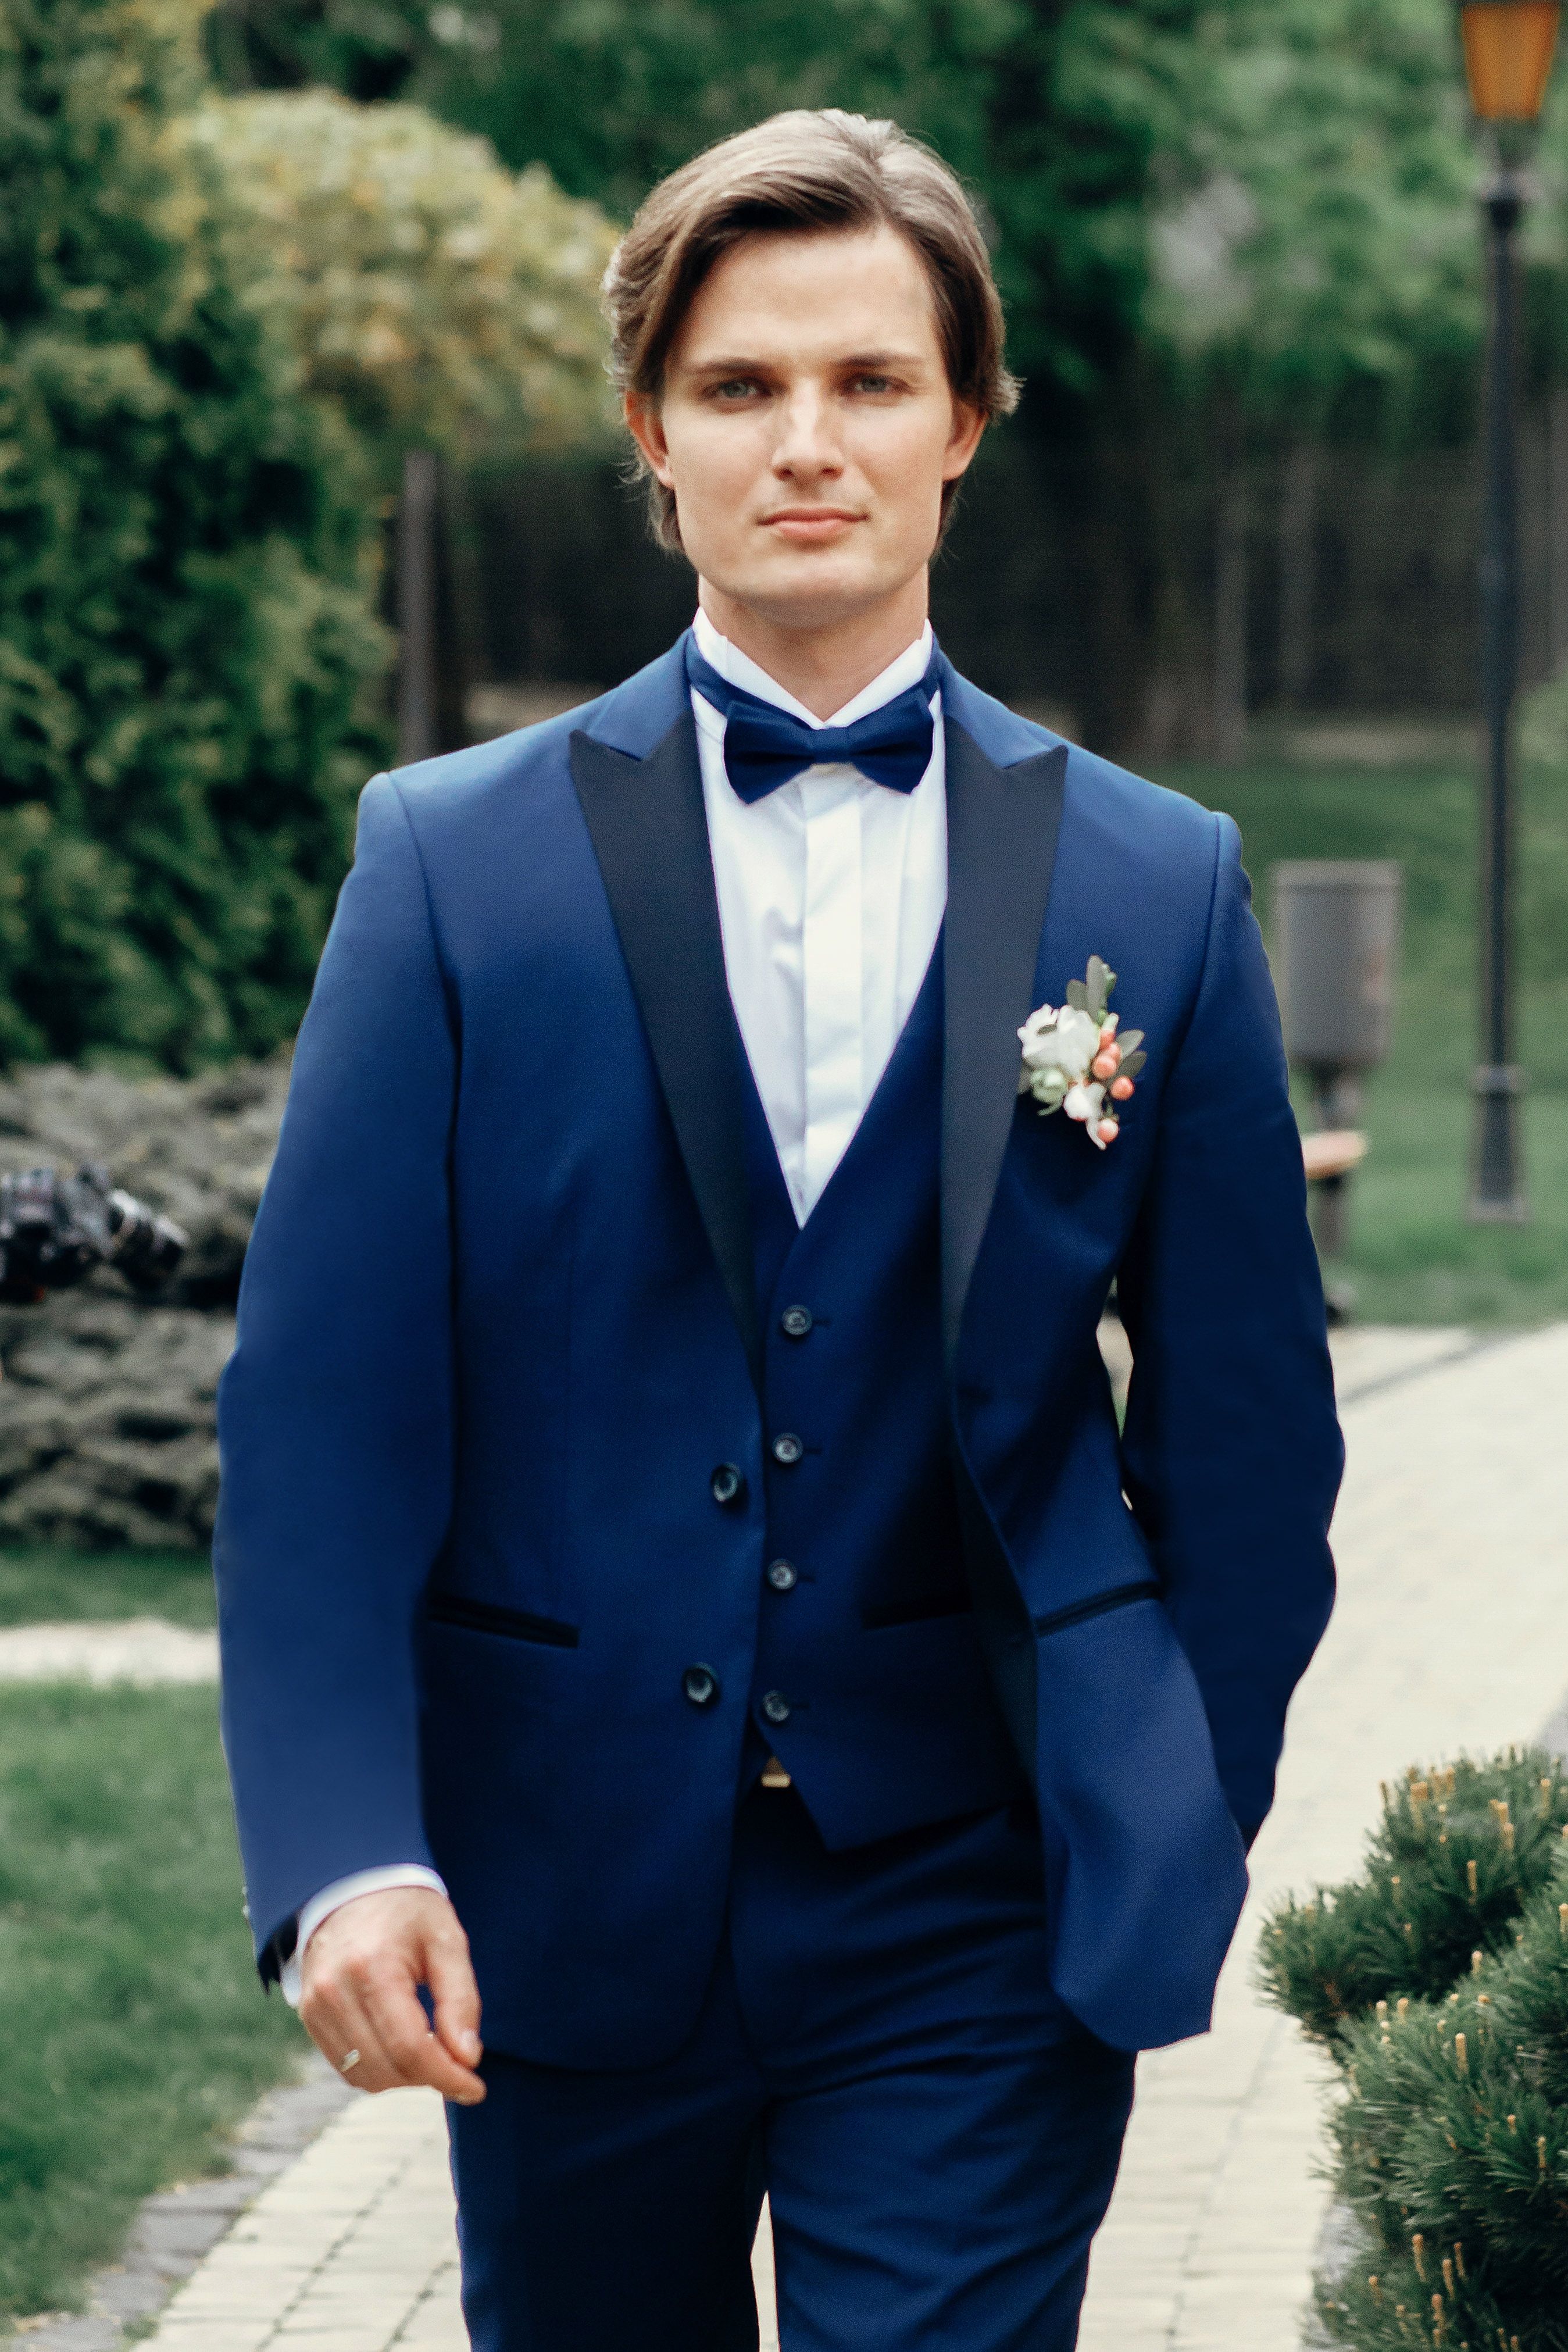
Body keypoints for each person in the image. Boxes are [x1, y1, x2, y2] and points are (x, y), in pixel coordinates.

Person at [216, 107, 1342, 2352]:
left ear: (964, 427)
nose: (802, 443)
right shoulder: (447, 870)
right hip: (554, 1890)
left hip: (975, 1894)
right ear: (652, 430)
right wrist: (347, 1851)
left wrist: (1166, 1811)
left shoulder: (1155, 888)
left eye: (867, 384)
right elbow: (329, 1416)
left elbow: (1249, 1443)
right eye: (738, 389)